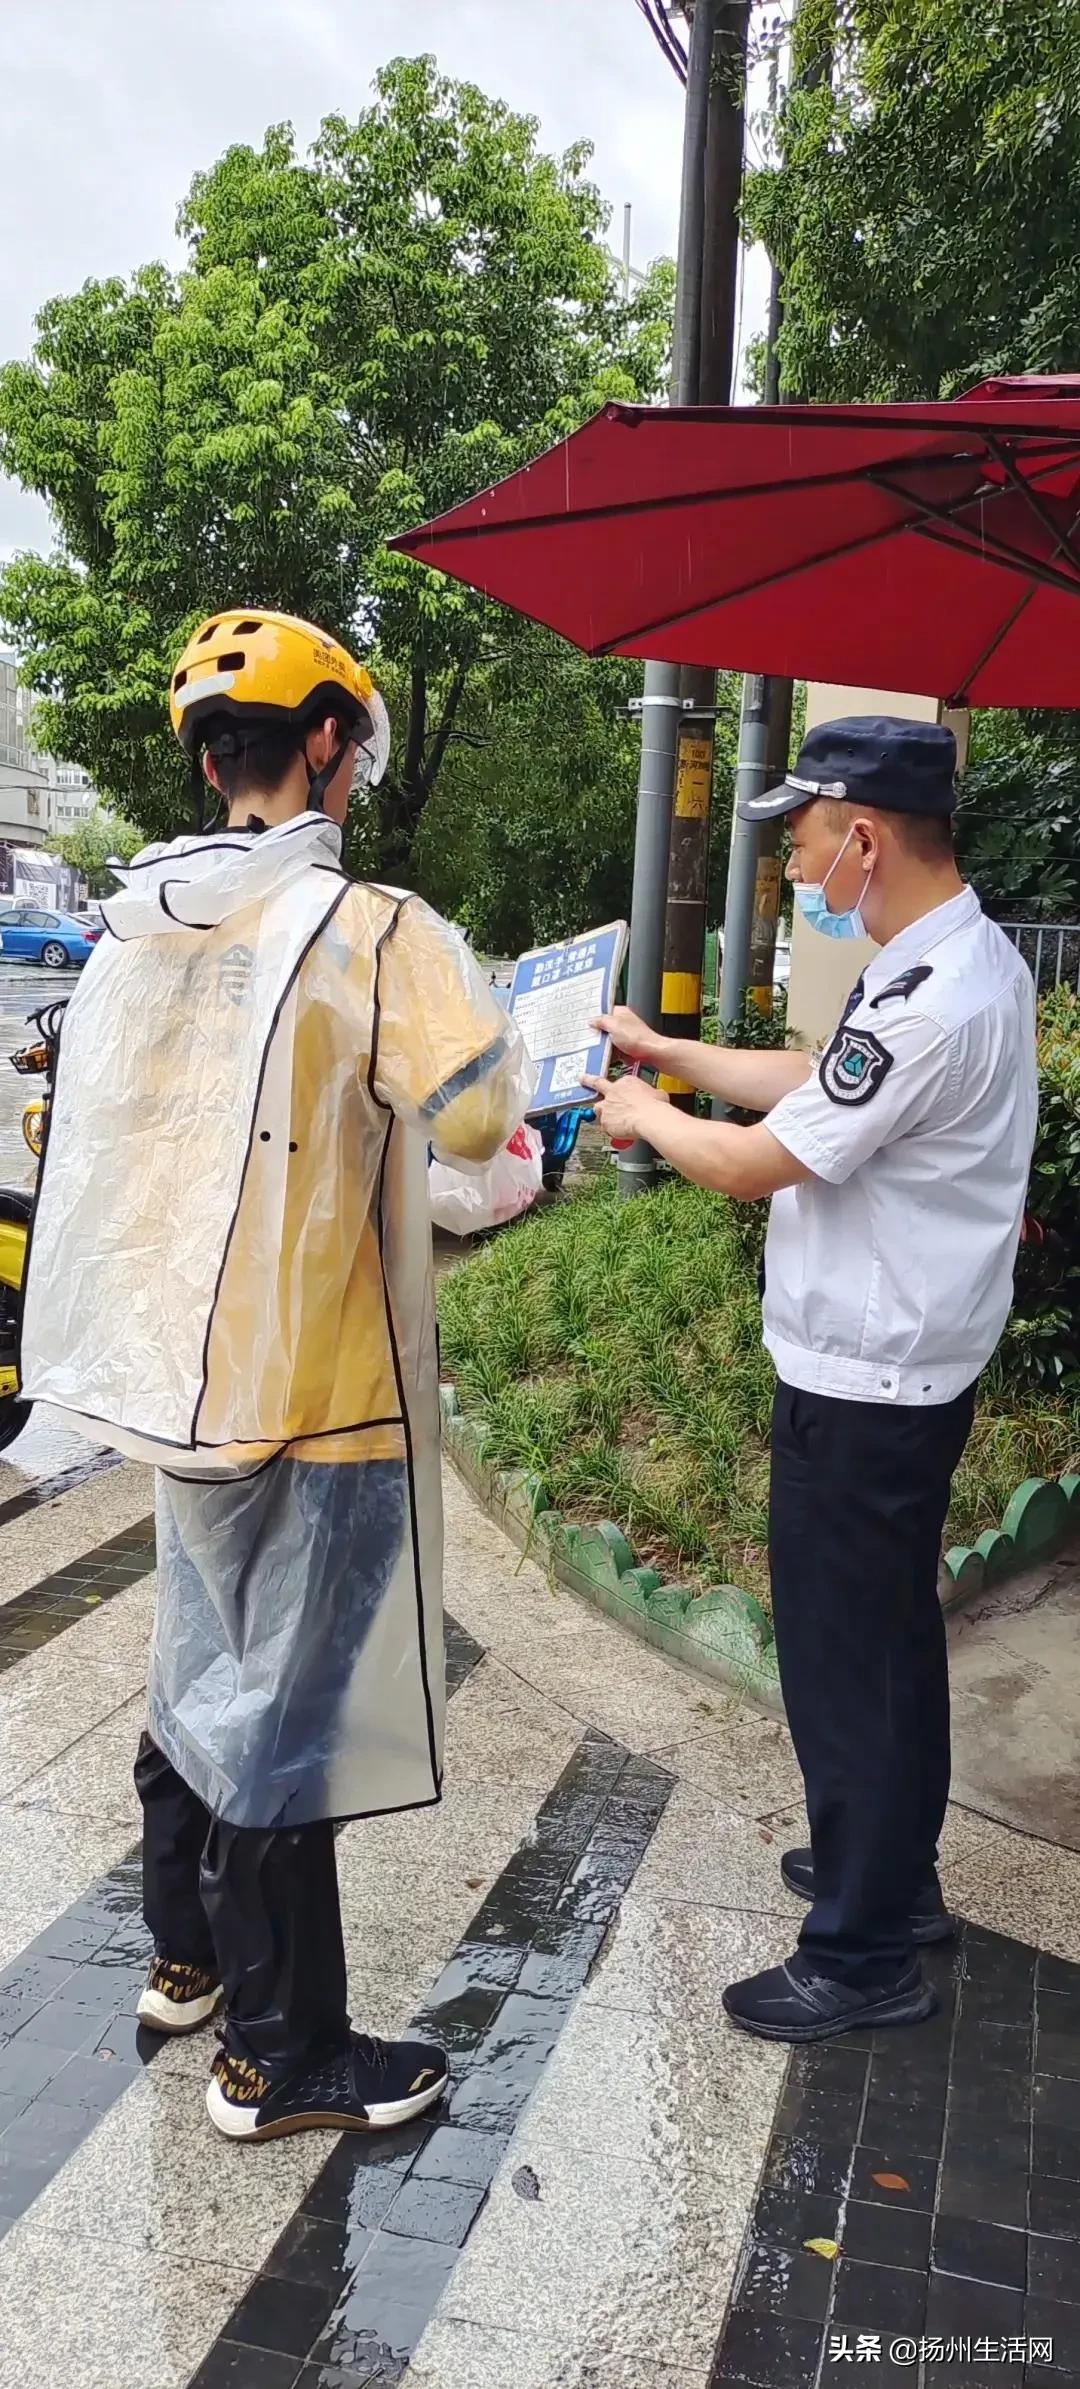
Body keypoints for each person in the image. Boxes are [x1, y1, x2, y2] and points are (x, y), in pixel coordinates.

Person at [20, 608, 532, 2137]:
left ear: (205, 754)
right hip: (317, 1394)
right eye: (353, 744)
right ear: (319, 742)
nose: (357, 772)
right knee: (290, 1724)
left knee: (199, 1668)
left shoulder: (137, 929)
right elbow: (477, 1124)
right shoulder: (368, 932)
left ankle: (181, 1960)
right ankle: (279, 2052)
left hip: (172, 1380)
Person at [587, 717, 1038, 2044]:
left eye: (800, 834)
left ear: (866, 835)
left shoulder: (937, 992)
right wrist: (667, 1055)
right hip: (896, 1373)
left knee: (849, 1668)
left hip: (868, 1386)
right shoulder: (942, 967)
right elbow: (812, 1082)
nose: (792, 859)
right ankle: (893, 1879)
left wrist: (644, 1118)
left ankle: (859, 1951)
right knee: (890, 1646)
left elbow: (755, 1160)